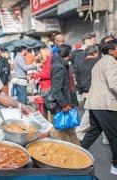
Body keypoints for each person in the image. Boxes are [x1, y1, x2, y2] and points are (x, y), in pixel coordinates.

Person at [81, 40, 117, 175]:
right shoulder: (111, 62)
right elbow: (114, 84)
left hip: (96, 104)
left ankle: (78, 153)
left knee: (93, 132)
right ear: (111, 50)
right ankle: (116, 166)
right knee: (115, 136)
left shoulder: (99, 63)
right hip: (106, 104)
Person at [49, 44, 80, 145]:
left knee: (69, 132)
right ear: (68, 53)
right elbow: (56, 89)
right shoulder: (59, 67)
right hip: (62, 106)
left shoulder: (63, 64)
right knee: (62, 133)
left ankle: (76, 153)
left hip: (66, 103)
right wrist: (64, 104)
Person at [75, 45, 100, 140]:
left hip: (85, 92)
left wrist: (81, 91)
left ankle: (80, 133)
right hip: (95, 91)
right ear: (95, 53)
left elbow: (77, 79)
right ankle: (79, 132)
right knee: (91, 114)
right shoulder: (98, 63)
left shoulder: (80, 64)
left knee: (91, 113)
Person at [32, 47, 52, 118]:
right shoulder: (47, 61)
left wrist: (37, 75)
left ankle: (51, 124)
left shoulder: (49, 61)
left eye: (42, 52)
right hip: (45, 86)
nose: (41, 54)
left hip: (48, 86)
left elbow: (48, 74)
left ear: (46, 52)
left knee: (50, 107)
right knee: (45, 106)